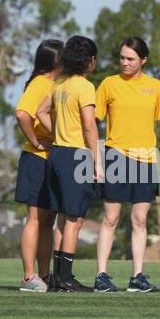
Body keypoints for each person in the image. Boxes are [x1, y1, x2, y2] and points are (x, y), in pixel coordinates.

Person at [93, 36, 160, 293]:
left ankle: (137, 276)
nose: (125, 63)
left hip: (148, 159)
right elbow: (92, 122)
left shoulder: (155, 87)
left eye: (130, 58)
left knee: (140, 220)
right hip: (115, 156)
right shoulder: (108, 84)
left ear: (143, 60)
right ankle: (101, 276)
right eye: (122, 57)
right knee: (110, 218)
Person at [35, 35, 101, 292]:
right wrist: (97, 162)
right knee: (75, 219)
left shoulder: (60, 84)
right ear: (89, 60)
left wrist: (57, 132)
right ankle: (66, 278)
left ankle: (59, 278)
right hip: (76, 155)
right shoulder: (84, 87)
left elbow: (40, 112)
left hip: (58, 155)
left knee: (62, 219)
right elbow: (89, 126)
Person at [14, 38, 62, 292]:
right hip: (36, 158)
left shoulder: (56, 85)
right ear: (55, 62)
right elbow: (22, 113)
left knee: (47, 221)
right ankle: (28, 276)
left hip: (51, 159)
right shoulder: (41, 83)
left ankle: (45, 274)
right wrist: (35, 141)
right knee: (34, 218)